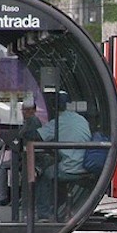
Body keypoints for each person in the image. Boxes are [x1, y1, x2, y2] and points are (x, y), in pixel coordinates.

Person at [34, 91, 91, 220]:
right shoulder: (80, 119)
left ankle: (43, 214)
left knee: (45, 175)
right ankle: (60, 206)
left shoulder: (58, 122)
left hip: (71, 167)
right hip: (85, 165)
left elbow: (38, 136)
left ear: (53, 107)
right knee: (55, 171)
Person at [0, 98, 42, 206]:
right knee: (6, 165)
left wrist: (6, 134)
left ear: (34, 110)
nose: (26, 112)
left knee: (4, 166)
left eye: (29, 110)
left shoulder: (33, 122)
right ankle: (6, 196)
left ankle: (4, 196)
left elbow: (23, 135)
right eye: (24, 110)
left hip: (31, 157)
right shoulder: (28, 122)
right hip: (25, 155)